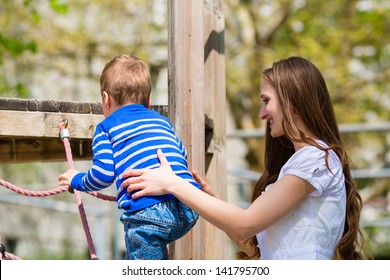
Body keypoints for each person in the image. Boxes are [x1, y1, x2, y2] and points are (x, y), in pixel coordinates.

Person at [120, 56, 366, 260]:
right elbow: (250, 242)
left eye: (266, 101)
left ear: (292, 100)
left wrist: (173, 183)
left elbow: (245, 224)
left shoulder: (315, 158)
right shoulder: (301, 161)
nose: (261, 114)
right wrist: (208, 200)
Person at [58, 54, 199, 260]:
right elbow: (181, 155)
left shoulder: (106, 128)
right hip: (189, 205)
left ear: (106, 99)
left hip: (148, 213)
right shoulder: (162, 122)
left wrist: (76, 180)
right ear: (149, 100)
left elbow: (103, 174)